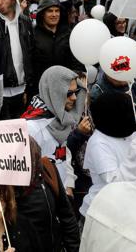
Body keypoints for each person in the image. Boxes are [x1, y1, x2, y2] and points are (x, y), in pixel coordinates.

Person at [80, 92, 136, 217]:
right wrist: (135, 156)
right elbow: (113, 182)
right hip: (105, 213)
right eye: (129, 110)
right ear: (116, 114)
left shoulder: (128, 131)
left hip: (133, 207)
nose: (133, 114)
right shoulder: (99, 142)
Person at [22, 65, 87, 197]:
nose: (74, 98)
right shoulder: (31, 128)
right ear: (54, 93)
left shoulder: (60, 120)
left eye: (76, 92)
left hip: (60, 195)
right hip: (42, 200)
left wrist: (68, 185)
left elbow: (62, 154)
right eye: (68, 94)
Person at [80, 142, 136, 251]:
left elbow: (85, 243)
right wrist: (133, 159)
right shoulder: (98, 143)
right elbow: (110, 177)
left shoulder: (109, 192)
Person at [15, 137, 80, 252]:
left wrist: (73, 249)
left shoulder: (47, 169)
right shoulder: (5, 186)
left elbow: (67, 216)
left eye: (35, 159)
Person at [0, 0, 34, 118]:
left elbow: (31, 53)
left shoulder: (25, 22)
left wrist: (29, 86)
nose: (0, 2)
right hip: (0, 92)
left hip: (23, 88)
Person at [32, 0, 82, 90]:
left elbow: (76, 61)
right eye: (50, 11)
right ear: (42, 13)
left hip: (66, 87)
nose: (54, 14)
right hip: (42, 87)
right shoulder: (34, 34)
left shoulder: (68, 33)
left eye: (57, 11)